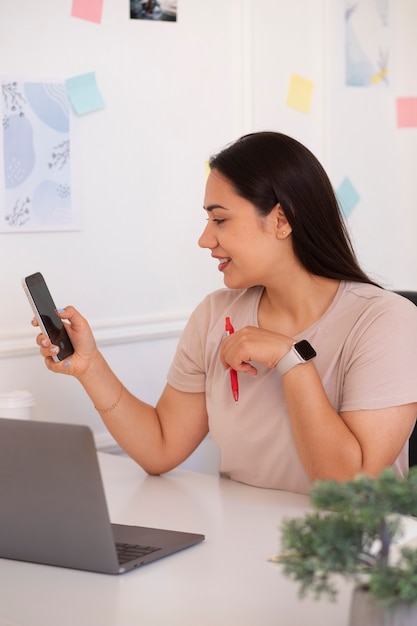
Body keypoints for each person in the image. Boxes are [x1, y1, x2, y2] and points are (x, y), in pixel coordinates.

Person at [33, 132, 417, 494]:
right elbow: (161, 447)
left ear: (282, 220)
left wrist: (291, 361)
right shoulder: (215, 314)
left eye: (220, 219)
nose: (205, 239)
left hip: (344, 555)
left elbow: (348, 489)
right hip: (240, 542)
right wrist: (90, 366)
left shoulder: (386, 322)